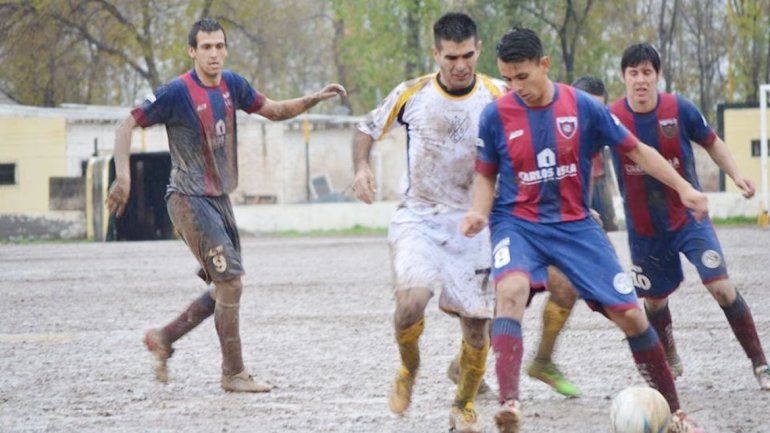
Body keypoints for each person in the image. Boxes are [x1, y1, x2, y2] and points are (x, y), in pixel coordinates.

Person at [461, 28, 705, 433]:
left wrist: (683, 188)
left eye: (522, 76)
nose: (515, 87)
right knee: (510, 290)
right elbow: (485, 176)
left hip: (576, 224)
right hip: (517, 222)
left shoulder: (582, 108)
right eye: (508, 79)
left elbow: (638, 151)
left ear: (544, 65)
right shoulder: (495, 115)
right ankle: (510, 405)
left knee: (631, 316)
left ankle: (675, 413)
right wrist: (478, 213)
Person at [106, 17, 345, 393]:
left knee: (224, 287)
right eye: (206, 47)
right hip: (187, 200)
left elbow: (275, 110)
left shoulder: (233, 85)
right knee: (230, 282)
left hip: (219, 201)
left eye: (219, 46)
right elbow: (125, 126)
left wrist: (312, 98)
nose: (214, 53)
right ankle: (233, 374)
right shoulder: (175, 92)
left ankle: (165, 337)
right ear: (192, 51)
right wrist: (124, 176)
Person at [351, 12, 504, 433]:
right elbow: (365, 127)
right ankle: (407, 370)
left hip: (473, 221)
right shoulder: (412, 93)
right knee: (411, 304)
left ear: (478, 50)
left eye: (468, 55)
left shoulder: (498, 95)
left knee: (476, 326)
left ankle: (464, 405)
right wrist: (362, 167)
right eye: (451, 57)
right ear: (436, 53)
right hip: (419, 216)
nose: (460, 65)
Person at [609, 42, 770, 389]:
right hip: (644, 228)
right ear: (623, 77)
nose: (640, 80)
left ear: (658, 76)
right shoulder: (611, 117)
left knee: (721, 287)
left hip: (688, 217)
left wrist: (736, 174)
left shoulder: (678, 108)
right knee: (654, 300)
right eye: (633, 73)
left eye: (647, 73)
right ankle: (669, 353)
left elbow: (711, 141)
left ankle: (760, 363)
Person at [572, 76, 619, 231]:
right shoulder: (552, 135)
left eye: (598, 111)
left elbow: (638, 150)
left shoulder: (599, 132)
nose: (592, 117)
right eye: (586, 108)